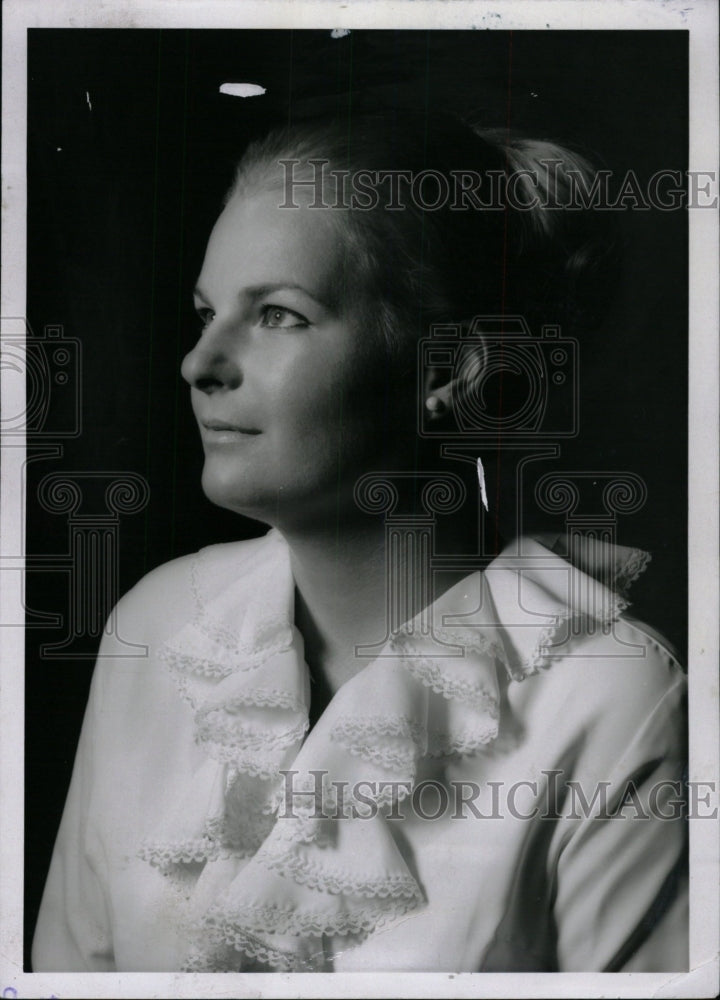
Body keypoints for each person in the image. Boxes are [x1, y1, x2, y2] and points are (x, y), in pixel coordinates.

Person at [32, 111, 687, 973]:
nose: (201, 361)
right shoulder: (154, 625)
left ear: (452, 371)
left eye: (277, 315)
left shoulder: (613, 701)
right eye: (205, 313)